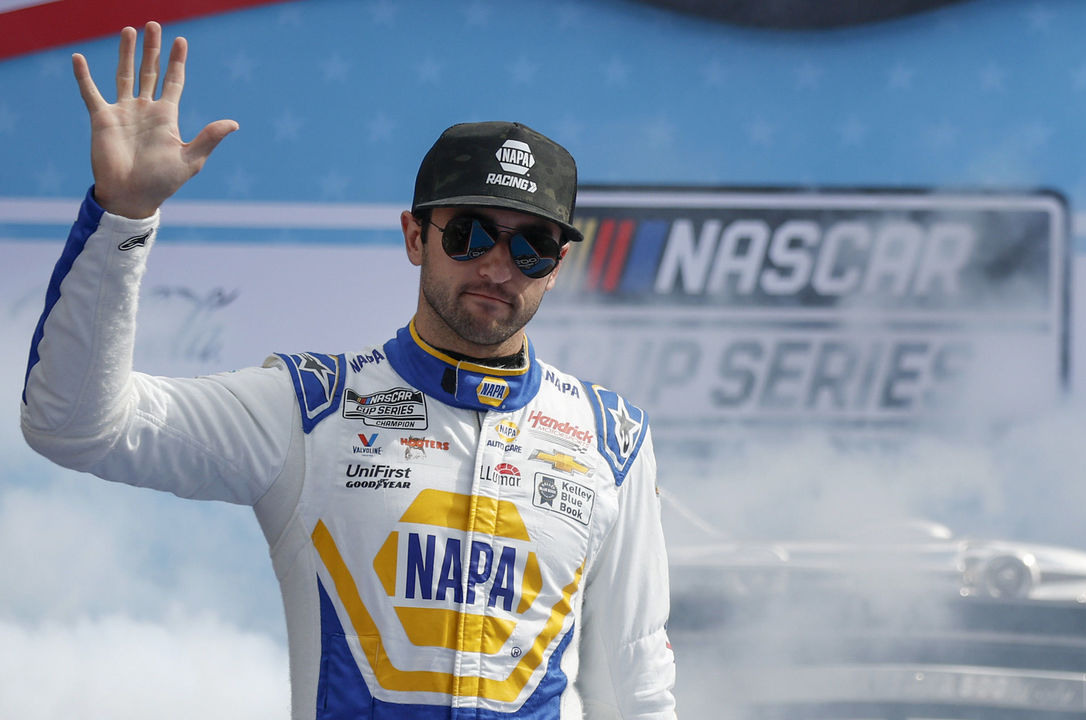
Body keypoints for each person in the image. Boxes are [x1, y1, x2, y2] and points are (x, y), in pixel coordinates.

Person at [19, 21, 677, 720]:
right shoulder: (309, 409)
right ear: (415, 236)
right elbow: (74, 426)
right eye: (470, 233)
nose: (497, 265)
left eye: (532, 246)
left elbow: (636, 689)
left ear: (557, 267)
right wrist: (124, 216)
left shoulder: (610, 439)